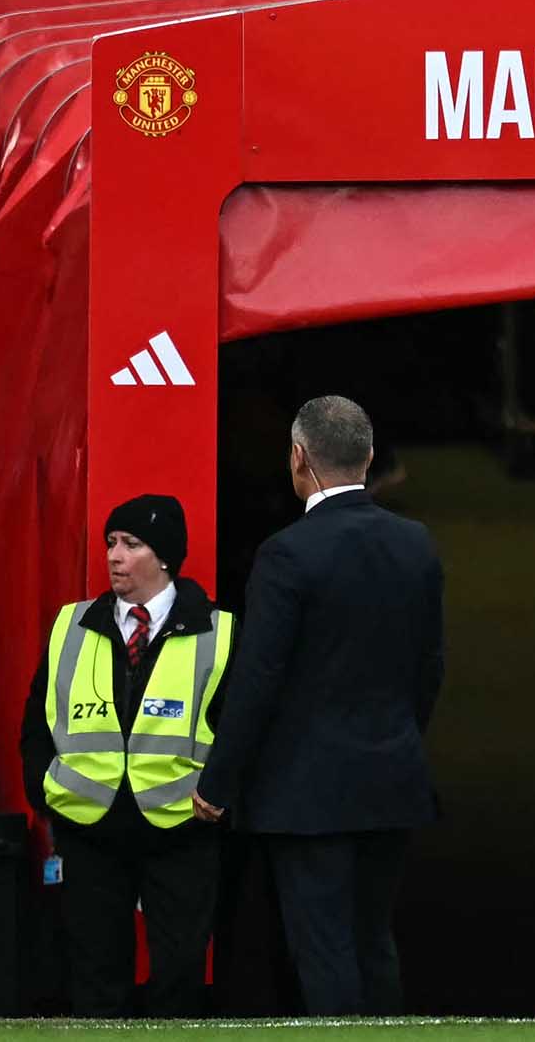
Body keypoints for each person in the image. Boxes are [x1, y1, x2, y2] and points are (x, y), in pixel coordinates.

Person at [192, 396, 445, 1017]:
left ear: (299, 458)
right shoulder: (415, 543)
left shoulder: (286, 553)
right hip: (391, 775)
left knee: (324, 950)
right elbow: (429, 667)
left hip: (305, 791)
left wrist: (219, 782)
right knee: (374, 942)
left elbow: (259, 678)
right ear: (367, 456)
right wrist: (399, 737)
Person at [18, 495, 234, 1016]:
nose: (114, 555)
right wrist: (43, 789)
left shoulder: (219, 630)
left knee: (180, 976)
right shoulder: (71, 624)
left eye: (131, 544)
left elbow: (238, 729)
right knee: (94, 979)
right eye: (111, 542)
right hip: (88, 827)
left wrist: (221, 796)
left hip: (181, 827)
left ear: (165, 557)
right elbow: (37, 722)